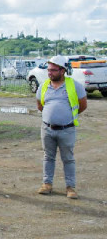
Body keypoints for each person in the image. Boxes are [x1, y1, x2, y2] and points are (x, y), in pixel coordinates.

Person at [36, 55, 87, 199]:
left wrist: (66, 117)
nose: (49, 73)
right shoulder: (44, 86)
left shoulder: (74, 86)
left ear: (62, 70)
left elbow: (82, 105)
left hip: (67, 129)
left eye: (53, 70)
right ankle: (47, 184)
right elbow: (40, 105)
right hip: (47, 129)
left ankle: (70, 187)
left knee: (68, 159)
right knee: (48, 157)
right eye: (48, 70)